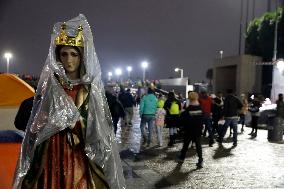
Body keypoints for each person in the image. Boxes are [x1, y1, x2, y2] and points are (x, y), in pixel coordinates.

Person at [13, 15, 125, 189]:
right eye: (64, 54)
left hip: (79, 155)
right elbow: (35, 127)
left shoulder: (89, 92)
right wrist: (46, 123)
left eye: (74, 54)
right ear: (58, 57)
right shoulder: (49, 90)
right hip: (51, 154)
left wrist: (75, 123)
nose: (69, 60)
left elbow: (99, 130)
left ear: (81, 58)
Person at [176, 92, 203, 168]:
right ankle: (200, 160)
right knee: (198, 145)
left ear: (190, 99)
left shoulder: (188, 109)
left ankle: (181, 158)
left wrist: (181, 114)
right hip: (198, 129)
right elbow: (202, 118)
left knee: (186, 144)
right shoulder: (200, 108)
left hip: (189, 130)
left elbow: (182, 121)